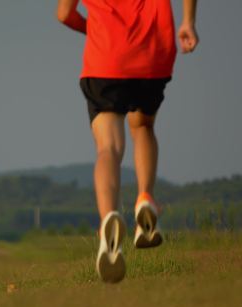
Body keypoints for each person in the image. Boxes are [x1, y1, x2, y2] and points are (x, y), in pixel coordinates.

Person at [57, 0, 199, 283]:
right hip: (153, 55)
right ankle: (145, 197)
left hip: (106, 58)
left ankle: (109, 216)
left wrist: (93, 30)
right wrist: (188, 21)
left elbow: (64, 14)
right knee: (143, 126)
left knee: (109, 147)